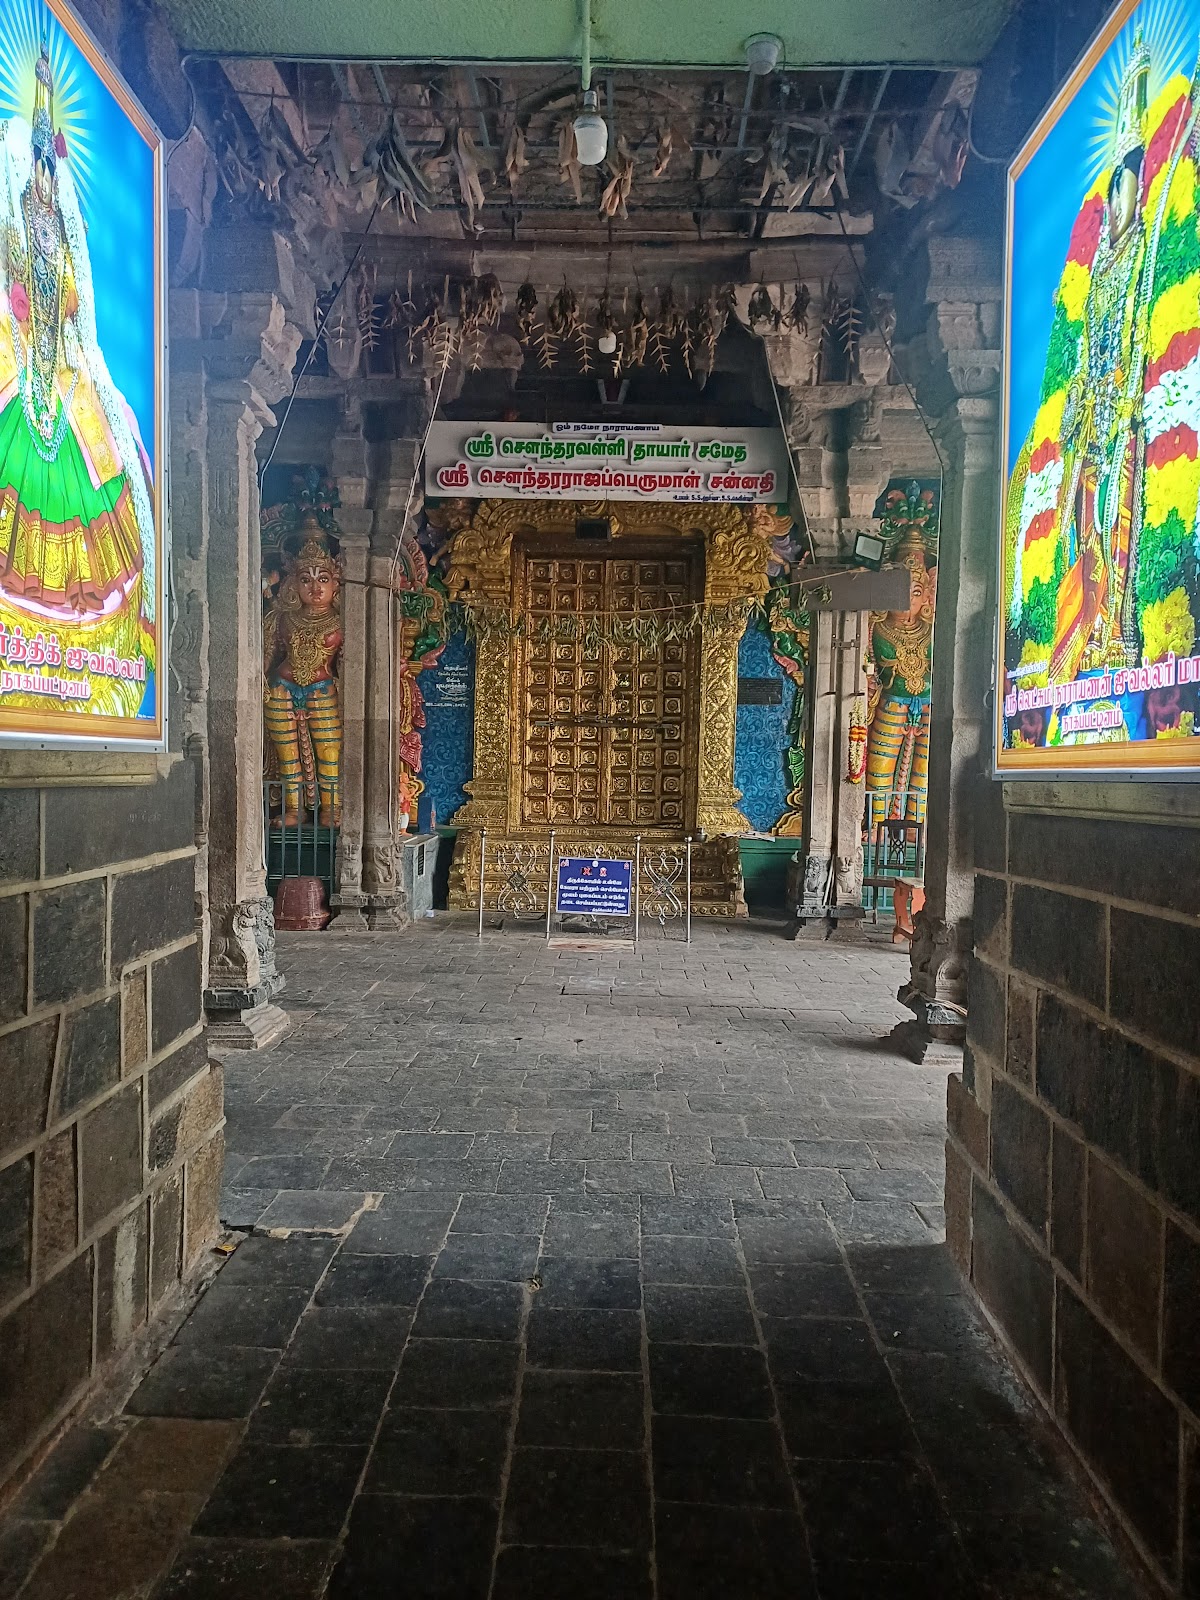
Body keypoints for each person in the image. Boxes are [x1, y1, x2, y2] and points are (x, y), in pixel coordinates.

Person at [1005, 30, 1200, 746]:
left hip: (1134, 427)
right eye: (1115, 184)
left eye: (1131, 181)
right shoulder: (1097, 274)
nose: (1120, 198)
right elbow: (1079, 362)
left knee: (1123, 528)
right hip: (1093, 429)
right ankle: (1084, 658)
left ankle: (1133, 653)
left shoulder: (1153, 249)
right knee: (1088, 537)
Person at [0, 45, 155, 717]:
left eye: (48, 158)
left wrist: (76, 370)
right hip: (21, 378)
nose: (41, 170)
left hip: (64, 383)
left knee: (107, 481)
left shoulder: (63, 242)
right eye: (33, 156)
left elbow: (78, 320)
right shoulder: (12, 237)